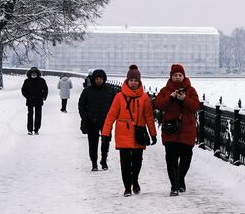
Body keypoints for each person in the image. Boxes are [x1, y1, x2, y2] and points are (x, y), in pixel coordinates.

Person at [102, 64, 157, 196]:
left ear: (139, 82)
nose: (133, 83)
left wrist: (153, 134)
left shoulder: (144, 98)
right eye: (131, 80)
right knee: (125, 162)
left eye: (136, 80)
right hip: (123, 133)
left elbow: (149, 116)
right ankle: (127, 187)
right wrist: (105, 132)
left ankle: (135, 180)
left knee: (137, 161)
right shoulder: (119, 97)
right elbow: (111, 115)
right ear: (127, 81)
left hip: (139, 133)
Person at [153, 63, 201, 195]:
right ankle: (174, 186)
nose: (178, 77)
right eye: (175, 75)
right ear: (171, 76)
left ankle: (180, 179)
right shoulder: (165, 90)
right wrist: (170, 98)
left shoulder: (191, 90)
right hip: (171, 131)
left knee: (186, 159)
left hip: (187, 131)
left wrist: (185, 99)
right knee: (171, 160)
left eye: (180, 75)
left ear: (184, 76)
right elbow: (158, 104)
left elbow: (196, 106)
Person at [78, 69, 119, 171]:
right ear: (94, 79)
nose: (99, 81)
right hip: (91, 121)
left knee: (106, 142)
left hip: (106, 121)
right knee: (93, 143)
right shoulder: (87, 91)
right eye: (97, 79)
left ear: (104, 79)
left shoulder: (110, 90)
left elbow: (116, 105)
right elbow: (81, 105)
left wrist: (113, 118)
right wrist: (85, 118)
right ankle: (94, 163)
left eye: (101, 78)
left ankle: (104, 160)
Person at [21, 67, 49, 135]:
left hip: (38, 100)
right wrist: (27, 97)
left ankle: (36, 129)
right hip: (30, 100)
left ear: (37, 73)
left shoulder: (42, 80)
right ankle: (30, 130)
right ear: (30, 73)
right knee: (30, 115)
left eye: (35, 73)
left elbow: (45, 89)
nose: (33, 74)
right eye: (32, 73)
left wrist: (44, 97)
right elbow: (23, 90)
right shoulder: (27, 81)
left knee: (38, 115)